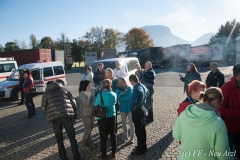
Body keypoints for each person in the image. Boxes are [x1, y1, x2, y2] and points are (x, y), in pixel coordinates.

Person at [173, 87, 232, 160]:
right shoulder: (218, 123)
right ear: (216, 101)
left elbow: (176, 135)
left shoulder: (184, 114)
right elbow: (223, 156)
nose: (220, 106)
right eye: (221, 102)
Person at [41, 81, 81, 160]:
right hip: (67, 115)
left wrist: (49, 115)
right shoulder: (64, 90)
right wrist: (75, 116)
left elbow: (43, 107)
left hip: (55, 118)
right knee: (72, 138)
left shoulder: (46, 93)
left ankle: (63, 158)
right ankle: (77, 157)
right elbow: (74, 103)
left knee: (59, 140)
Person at [219, 64, 240, 160]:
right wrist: (237, 113)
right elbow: (220, 108)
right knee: (229, 153)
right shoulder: (226, 87)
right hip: (230, 128)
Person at [94, 79, 117, 160]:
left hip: (102, 117)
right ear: (110, 85)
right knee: (112, 134)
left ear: (102, 86)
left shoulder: (99, 95)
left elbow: (96, 105)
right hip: (112, 116)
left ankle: (104, 155)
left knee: (103, 136)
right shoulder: (114, 94)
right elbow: (115, 103)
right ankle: (113, 153)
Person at [129, 74, 149, 155]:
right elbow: (147, 93)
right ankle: (143, 145)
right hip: (143, 108)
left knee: (138, 130)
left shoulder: (136, 89)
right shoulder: (143, 86)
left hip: (137, 111)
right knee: (142, 128)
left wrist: (133, 106)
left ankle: (141, 149)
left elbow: (132, 100)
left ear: (131, 81)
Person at [116, 77, 134, 143]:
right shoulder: (118, 90)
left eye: (124, 82)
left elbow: (129, 97)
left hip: (129, 108)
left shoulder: (129, 88)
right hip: (123, 109)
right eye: (123, 82)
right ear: (120, 83)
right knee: (124, 123)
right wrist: (122, 94)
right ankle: (125, 135)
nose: (124, 83)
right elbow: (116, 97)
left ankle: (132, 137)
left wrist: (122, 99)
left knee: (131, 123)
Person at [79, 80, 95, 150]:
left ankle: (89, 142)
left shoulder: (91, 92)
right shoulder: (81, 94)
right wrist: (89, 95)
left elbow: (94, 101)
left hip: (92, 113)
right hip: (85, 115)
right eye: (88, 85)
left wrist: (89, 104)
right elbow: (87, 103)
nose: (90, 86)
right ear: (85, 86)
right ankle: (84, 143)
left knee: (91, 129)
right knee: (88, 130)